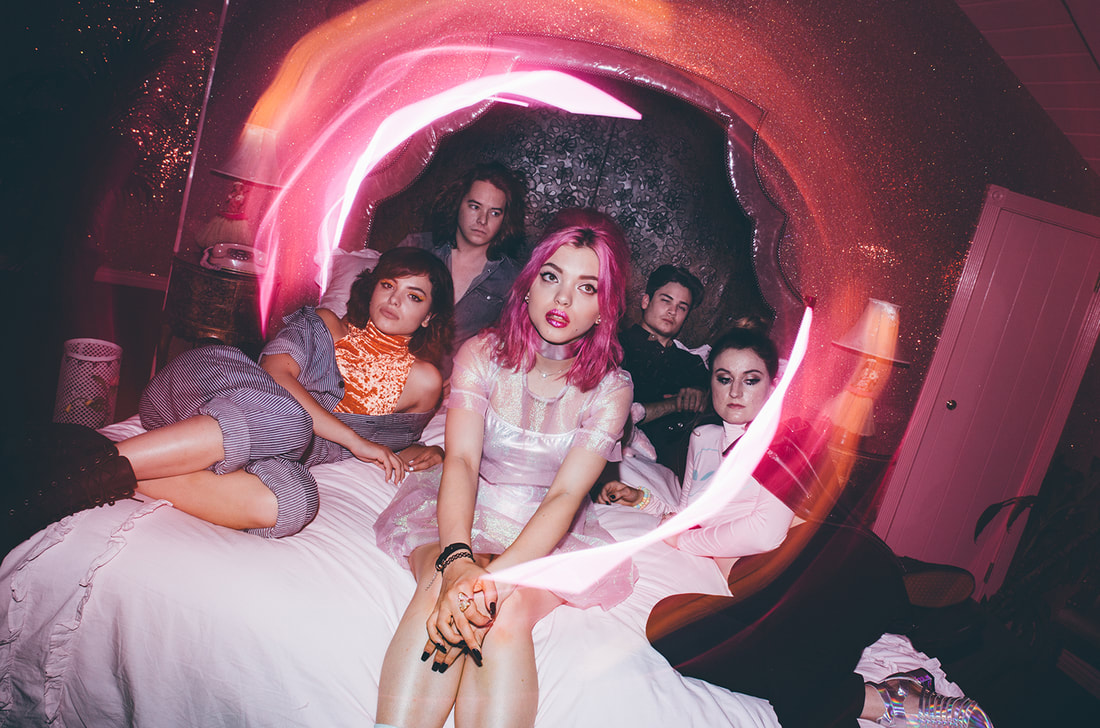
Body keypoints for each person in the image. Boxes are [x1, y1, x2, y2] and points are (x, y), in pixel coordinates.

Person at [600, 327, 990, 728]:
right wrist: (644, 500)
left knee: (784, 668)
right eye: (724, 378)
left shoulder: (783, 440)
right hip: (762, 589)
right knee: (669, 624)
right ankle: (888, 694)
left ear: (771, 387)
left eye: (751, 379)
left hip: (820, 569)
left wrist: (685, 540)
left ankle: (884, 672)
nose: (735, 391)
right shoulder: (703, 438)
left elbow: (764, 532)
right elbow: (691, 511)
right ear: (710, 382)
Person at [3, 247, 454, 552]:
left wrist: (431, 451)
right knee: (289, 418)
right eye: (388, 285)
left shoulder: (424, 381)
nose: (395, 300)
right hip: (209, 386)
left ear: (429, 316)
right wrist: (354, 441)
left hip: (257, 451)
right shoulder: (324, 323)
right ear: (372, 287)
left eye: (413, 296)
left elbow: (401, 439)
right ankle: (59, 487)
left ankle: (87, 462)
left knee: (295, 501)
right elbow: (276, 375)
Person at [374, 211, 634, 728]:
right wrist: (457, 561)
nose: (563, 299)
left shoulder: (612, 389)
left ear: (605, 309)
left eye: (587, 287)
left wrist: (491, 582)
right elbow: (462, 462)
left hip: (548, 529)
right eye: (552, 276)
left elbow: (564, 497)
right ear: (529, 283)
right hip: (464, 507)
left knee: (504, 611)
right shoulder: (481, 355)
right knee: (440, 584)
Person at [401, 161, 527, 375]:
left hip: (455, 383)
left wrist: (467, 380)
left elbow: (511, 346)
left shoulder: (513, 279)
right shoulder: (416, 247)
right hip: (388, 367)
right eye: (475, 206)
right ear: (458, 203)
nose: (482, 220)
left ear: (505, 219)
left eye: (494, 213)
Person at [618, 264, 710, 477]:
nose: (672, 311)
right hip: (628, 462)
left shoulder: (692, 363)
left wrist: (701, 398)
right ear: (646, 301)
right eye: (666, 300)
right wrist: (675, 404)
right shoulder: (617, 347)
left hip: (685, 468)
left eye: (682, 307)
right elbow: (616, 417)